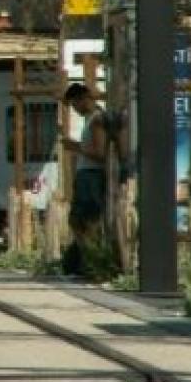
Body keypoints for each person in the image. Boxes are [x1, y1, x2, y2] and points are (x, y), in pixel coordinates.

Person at [61, 83, 108, 275]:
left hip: (91, 175)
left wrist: (75, 146)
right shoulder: (91, 119)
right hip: (86, 175)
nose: (75, 110)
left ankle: (90, 259)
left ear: (83, 99)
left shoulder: (97, 120)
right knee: (79, 220)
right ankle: (85, 258)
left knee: (85, 220)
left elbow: (100, 152)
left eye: (74, 105)